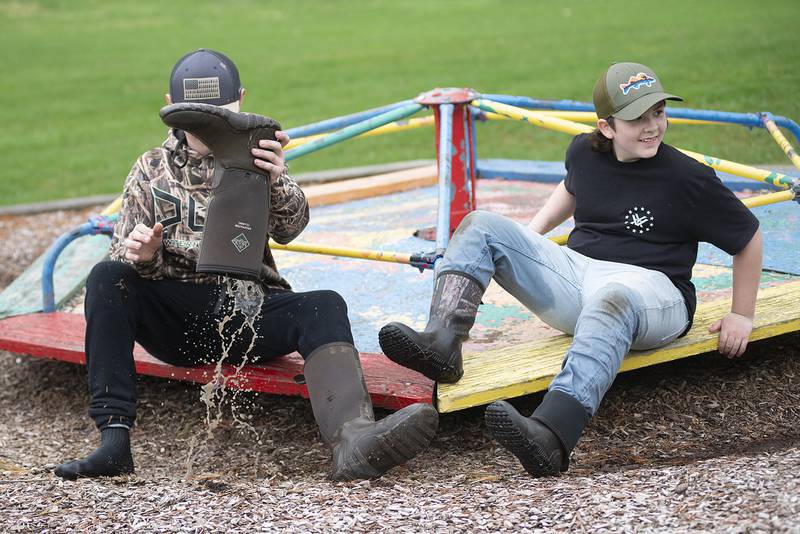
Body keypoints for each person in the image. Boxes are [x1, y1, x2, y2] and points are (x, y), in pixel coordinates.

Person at [55, 49, 438, 481]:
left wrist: (276, 181)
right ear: (172, 106)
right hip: (174, 320)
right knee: (108, 277)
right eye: (194, 115)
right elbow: (119, 260)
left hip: (247, 311)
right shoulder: (150, 168)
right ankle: (114, 442)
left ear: (240, 100)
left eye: (218, 112)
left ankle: (354, 439)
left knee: (325, 303)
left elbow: (292, 228)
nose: (207, 125)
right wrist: (142, 257)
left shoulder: (259, 154)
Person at [379, 62, 762, 477]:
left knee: (613, 299)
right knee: (481, 224)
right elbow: (573, 187)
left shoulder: (689, 178)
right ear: (607, 127)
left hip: (655, 293)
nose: (652, 126)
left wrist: (742, 314)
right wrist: (525, 241)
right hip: (580, 275)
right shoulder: (585, 151)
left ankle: (552, 433)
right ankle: (442, 344)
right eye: (637, 118)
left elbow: (748, 237)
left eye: (658, 113)